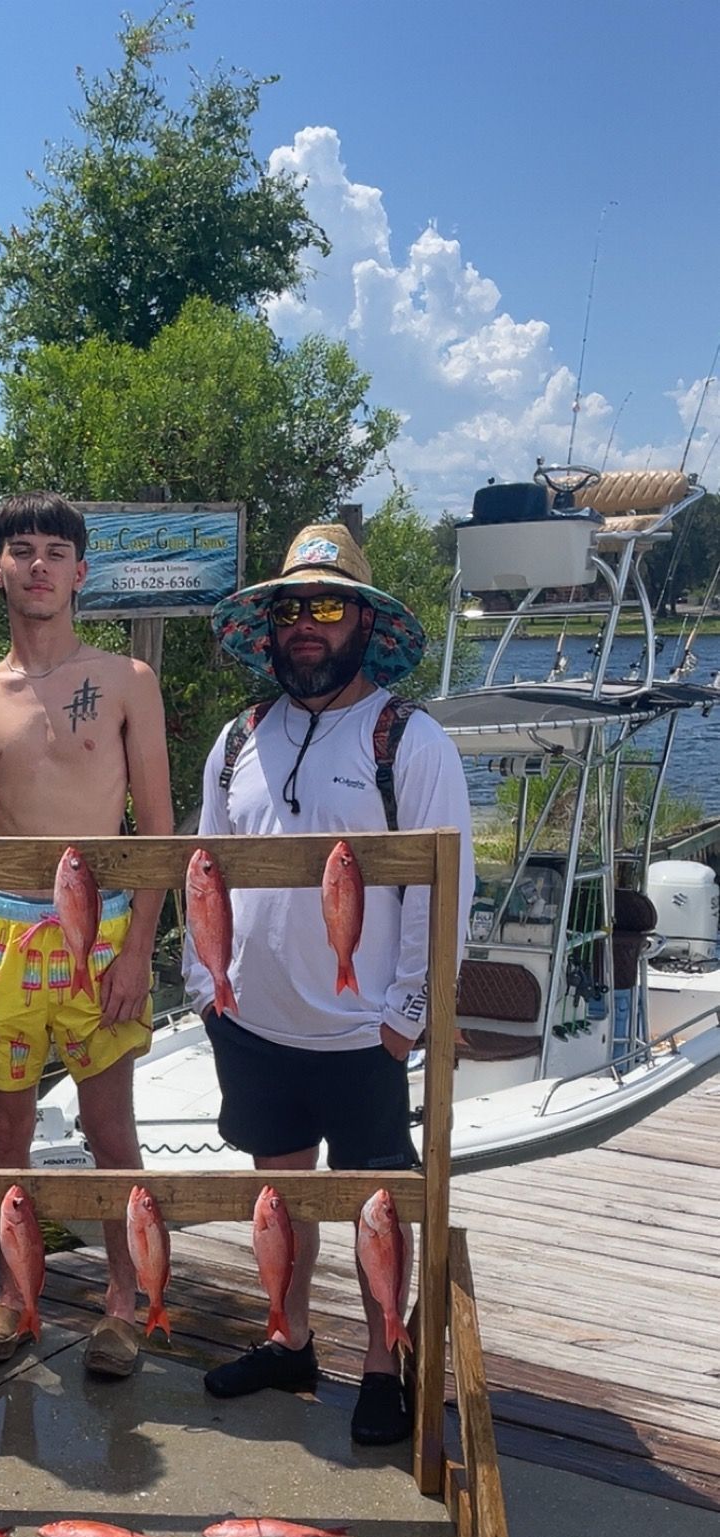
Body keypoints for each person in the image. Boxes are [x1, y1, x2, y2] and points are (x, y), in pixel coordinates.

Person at [186, 522, 475, 1445]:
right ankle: (291, 1337)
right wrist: (204, 983)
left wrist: (406, 1018)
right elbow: (204, 868)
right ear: (268, 628)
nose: (305, 625)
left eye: (327, 606)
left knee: (377, 1209)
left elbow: (448, 884)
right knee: (282, 1196)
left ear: (363, 622)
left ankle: (384, 1362)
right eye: (289, 609)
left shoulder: (409, 739)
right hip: (254, 1022)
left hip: (363, 1035)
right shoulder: (237, 740)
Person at [0, 492, 174, 1378]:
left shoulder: (125, 682)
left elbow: (156, 829)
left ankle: (123, 1299)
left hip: (99, 929)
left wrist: (138, 949)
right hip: (1, 937)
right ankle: (16, 1299)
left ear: (81, 573)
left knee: (110, 1129)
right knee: (5, 1137)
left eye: (55, 552)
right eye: (21, 550)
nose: (38, 565)